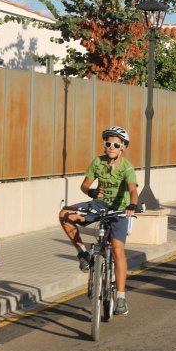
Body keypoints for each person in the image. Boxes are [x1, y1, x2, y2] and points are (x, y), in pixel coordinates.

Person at [59, 126, 138, 316]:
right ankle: (83, 254)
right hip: (99, 206)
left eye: (115, 144)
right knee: (65, 215)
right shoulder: (97, 162)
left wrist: (133, 205)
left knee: (118, 250)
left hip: (119, 210)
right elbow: (85, 185)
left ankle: (120, 297)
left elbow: (133, 190)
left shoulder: (127, 167)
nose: (111, 147)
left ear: (123, 147)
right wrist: (91, 191)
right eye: (108, 143)